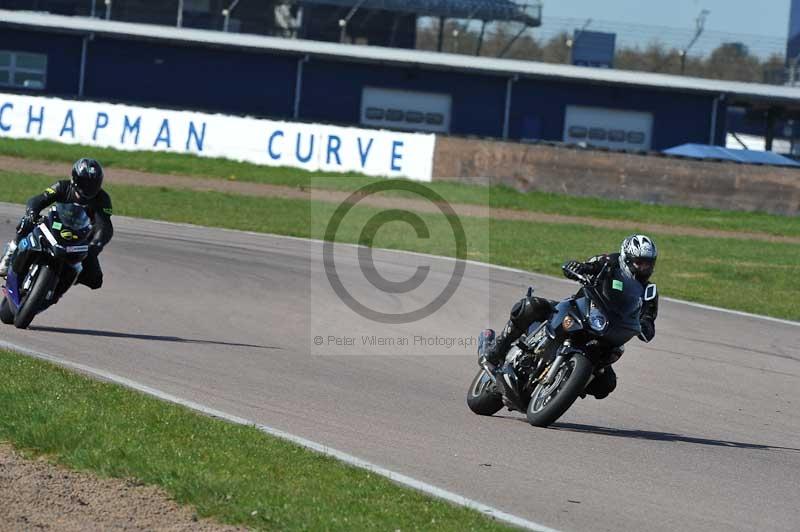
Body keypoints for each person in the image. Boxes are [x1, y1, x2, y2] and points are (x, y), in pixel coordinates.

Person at [480, 234, 659, 400]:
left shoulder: (648, 292)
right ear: (627, 258)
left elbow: (649, 319)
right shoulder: (609, 262)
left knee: (606, 385)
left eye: (649, 264)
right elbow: (589, 266)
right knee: (531, 306)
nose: (645, 268)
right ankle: (497, 350)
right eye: (640, 263)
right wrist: (578, 268)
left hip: (609, 332)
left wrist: (644, 327)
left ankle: (565, 385)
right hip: (583, 310)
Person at [0, 158, 113, 290]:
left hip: (81, 238)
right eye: (84, 183)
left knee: (95, 280)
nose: (88, 188)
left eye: (93, 184)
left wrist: (97, 243)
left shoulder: (103, 199)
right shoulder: (62, 186)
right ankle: (10, 254)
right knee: (26, 222)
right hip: (54, 225)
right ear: (75, 179)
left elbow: (104, 225)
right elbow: (39, 199)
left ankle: (65, 280)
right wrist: (32, 212)